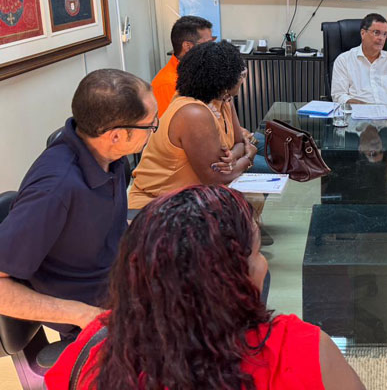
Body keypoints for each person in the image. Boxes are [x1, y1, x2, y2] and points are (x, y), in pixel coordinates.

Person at [45, 185, 365, 390]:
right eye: (257, 253)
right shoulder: (300, 350)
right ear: (229, 278)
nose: (263, 265)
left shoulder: (97, 346)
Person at [0, 69, 157, 340]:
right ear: (117, 135)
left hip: (126, 282)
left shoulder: (109, 157)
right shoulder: (54, 190)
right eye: (150, 124)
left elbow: (104, 228)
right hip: (99, 316)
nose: (155, 128)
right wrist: (83, 315)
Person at [129, 41, 257, 209]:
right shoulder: (193, 113)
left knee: (253, 204)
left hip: (192, 197)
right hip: (160, 204)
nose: (242, 79)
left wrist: (234, 155)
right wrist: (248, 158)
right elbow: (215, 178)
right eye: (241, 74)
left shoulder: (224, 99)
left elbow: (240, 142)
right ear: (225, 80)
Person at [330, 13, 387, 106]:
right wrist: (368, 109)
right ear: (363, 33)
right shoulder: (344, 60)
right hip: (357, 113)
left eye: (385, 34)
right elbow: (339, 96)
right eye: (376, 32)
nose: (381, 38)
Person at [152, 15, 213, 118]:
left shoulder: (199, 70)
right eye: (207, 44)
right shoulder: (168, 84)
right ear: (187, 46)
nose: (212, 49)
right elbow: (170, 124)